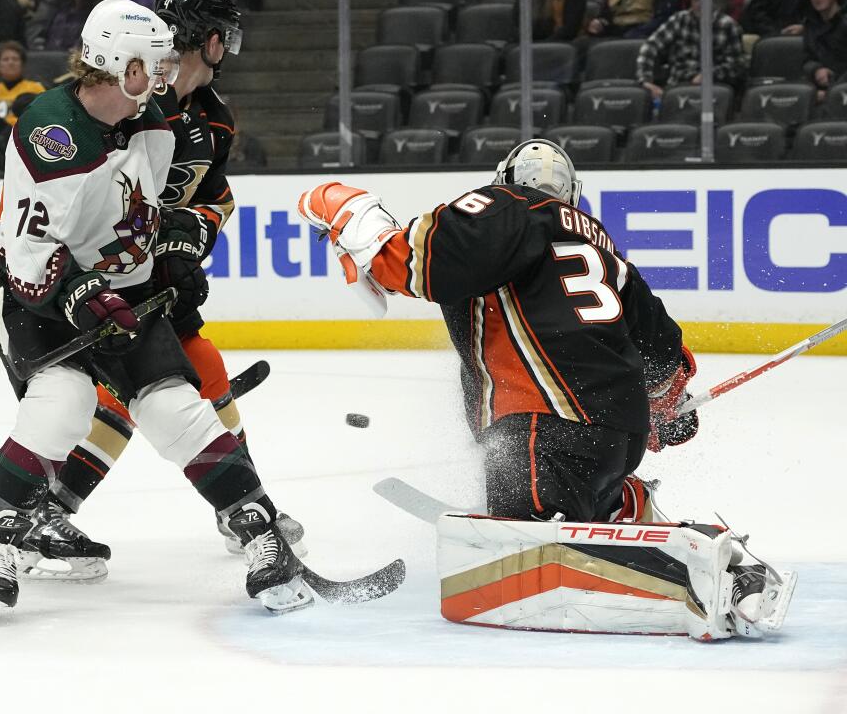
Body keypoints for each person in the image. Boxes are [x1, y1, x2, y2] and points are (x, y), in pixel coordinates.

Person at [295, 139, 793, 640]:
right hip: (618, 436)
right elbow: (665, 350)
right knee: (580, 502)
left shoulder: (505, 207)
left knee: (523, 551)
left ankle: (710, 574)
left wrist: (349, 214)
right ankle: (627, 503)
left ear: (505, 177)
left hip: (544, 427)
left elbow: (416, 264)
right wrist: (664, 409)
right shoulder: (599, 243)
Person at [0, 0, 312, 622]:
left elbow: (161, 202)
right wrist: (81, 293)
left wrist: (176, 248)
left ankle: (260, 534)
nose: (164, 77)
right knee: (64, 407)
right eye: (154, 66)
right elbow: (31, 248)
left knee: (175, 407)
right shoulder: (52, 130)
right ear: (119, 67)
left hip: (126, 289)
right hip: (36, 295)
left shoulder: (152, 112)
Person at [636, 0, 746, 100]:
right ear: (691, 2)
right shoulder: (679, 20)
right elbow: (650, 47)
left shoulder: (728, 25)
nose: (700, 4)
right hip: (676, 86)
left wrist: (709, 75)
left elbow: (737, 66)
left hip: (714, 89)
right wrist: (645, 80)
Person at [0, 40, 46, 125]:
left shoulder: (36, 88)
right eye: (5, 59)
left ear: (22, 64)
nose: (11, 62)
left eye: (15, 59)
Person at [802, 0, 847, 103]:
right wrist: (816, 70)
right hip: (819, 90)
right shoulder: (810, 25)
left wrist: (832, 92)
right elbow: (807, 59)